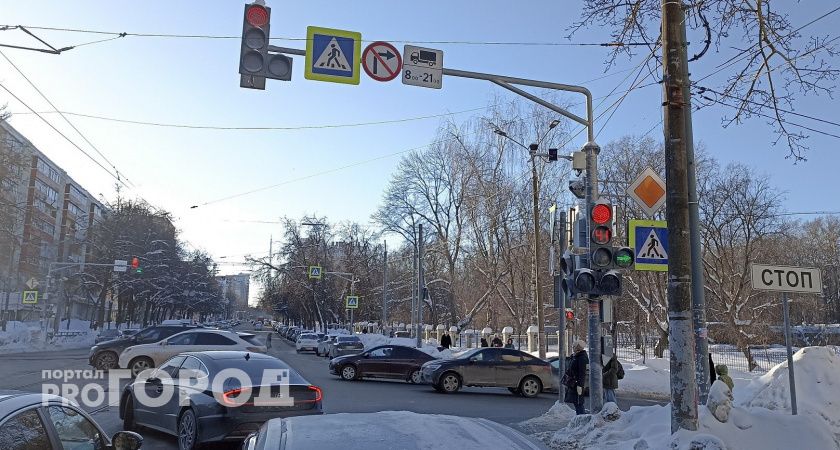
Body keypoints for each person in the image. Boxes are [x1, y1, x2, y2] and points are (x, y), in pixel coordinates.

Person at [564, 340, 589, 415]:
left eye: (574, 346)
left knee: (578, 403)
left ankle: (581, 419)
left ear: (578, 347)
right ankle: (580, 418)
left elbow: (582, 373)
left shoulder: (582, 358)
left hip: (577, 383)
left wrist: (580, 386)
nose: (572, 348)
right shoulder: (576, 356)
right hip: (573, 383)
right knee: (576, 402)